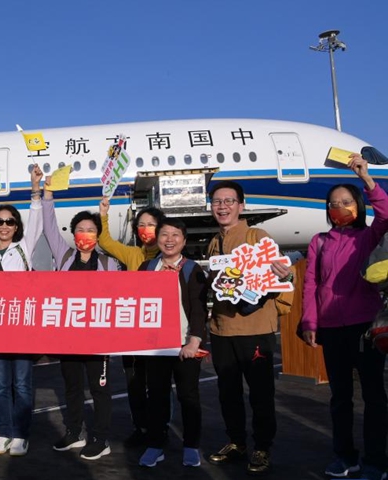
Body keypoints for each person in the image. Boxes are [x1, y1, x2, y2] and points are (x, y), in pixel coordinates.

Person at [301, 154, 388, 480]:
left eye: (346, 202)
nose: (339, 208)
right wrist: (311, 321)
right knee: (340, 398)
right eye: (334, 203)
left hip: (365, 327)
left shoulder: (369, 236)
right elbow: (311, 284)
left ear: (358, 205)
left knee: (374, 397)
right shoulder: (319, 242)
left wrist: (367, 180)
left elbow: (387, 213)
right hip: (331, 329)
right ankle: (344, 456)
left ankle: (376, 461)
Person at [205, 180, 293, 476]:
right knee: (227, 392)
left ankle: (262, 447)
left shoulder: (257, 236)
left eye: (229, 201)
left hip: (254, 328)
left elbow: (278, 276)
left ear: (241, 205)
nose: (223, 206)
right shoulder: (214, 242)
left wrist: (285, 272)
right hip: (221, 329)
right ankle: (236, 442)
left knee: (260, 393)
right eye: (217, 201)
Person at [43, 177, 123, 461]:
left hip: (98, 340)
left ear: (98, 235)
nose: (85, 234)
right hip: (69, 339)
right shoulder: (64, 257)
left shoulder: (108, 263)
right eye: (80, 230)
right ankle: (74, 432)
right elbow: (49, 226)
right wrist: (47, 194)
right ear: (73, 233)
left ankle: (100, 438)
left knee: (100, 390)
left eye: (91, 230)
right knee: (72, 387)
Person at [0, 165, 43, 457]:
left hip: (22, 329)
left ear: (17, 226)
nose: (4, 226)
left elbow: (38, 221)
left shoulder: (23, 249)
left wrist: (35, 188)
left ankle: (20, 434)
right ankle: (4, 431)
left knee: (22, 384)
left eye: (10, 221)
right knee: (1, 386)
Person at [136, 218, 208, 468]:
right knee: (156, 397)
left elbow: (199, 311)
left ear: (184, 241)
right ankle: (156, 445)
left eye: (175, 235)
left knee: (189, 397)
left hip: (185, 345)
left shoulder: (192, 269)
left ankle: (191, 445)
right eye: (164, 234)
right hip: (155, 346)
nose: (169, 240)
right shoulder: (147, 267)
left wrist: (193, 342)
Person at [98, 198, 166, 448]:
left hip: (159, 335)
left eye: (151, 224)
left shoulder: (167, 256)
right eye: (141, 224)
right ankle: (141, 427)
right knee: (134, 384)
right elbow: (105, 242)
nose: (145, 229)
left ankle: (160, 428)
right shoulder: (132, 253)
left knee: (158, 386)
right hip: (133, 333)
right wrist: (103, 215)